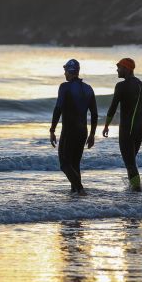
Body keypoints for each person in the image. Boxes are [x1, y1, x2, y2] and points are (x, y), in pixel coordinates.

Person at [102, 58, 142, 191]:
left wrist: (106, 125)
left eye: (119, 67)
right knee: (131, 161)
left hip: (127, 129)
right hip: (140, 127)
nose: (117, 70)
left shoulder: (121, 86)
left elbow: (113, 108)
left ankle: (137, 192)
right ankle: (135, 189)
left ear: (127, 69)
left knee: (130, 163)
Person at [49, 59, 98, 195]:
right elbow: (94, 114)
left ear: (70, 72)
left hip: (69, 130)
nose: (64, 73)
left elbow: (58, 109)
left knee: (65, 164)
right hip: (83, 131)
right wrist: (92, 134)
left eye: (65, 71)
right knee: (75, 164)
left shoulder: (65, 87)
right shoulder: (88, 88)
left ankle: (80, 190)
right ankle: (75, 195)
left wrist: (52, 130)